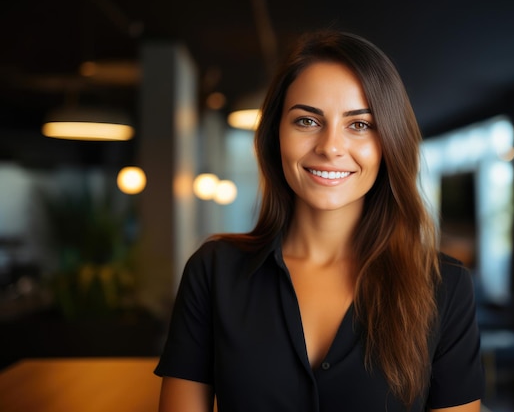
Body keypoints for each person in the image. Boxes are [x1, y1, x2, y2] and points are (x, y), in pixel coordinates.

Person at [155, 30, 484, 412]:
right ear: (275, 134)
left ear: (389, 142)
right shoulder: (213, 271)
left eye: (359, 125)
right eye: (307, 121)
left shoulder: (445, 286)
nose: (330, 147)